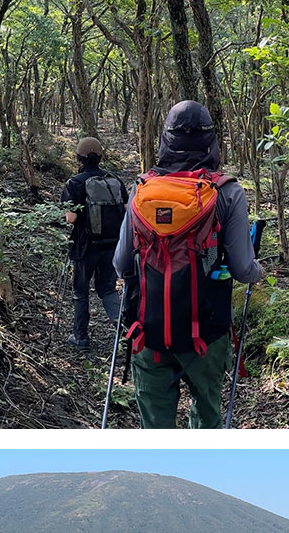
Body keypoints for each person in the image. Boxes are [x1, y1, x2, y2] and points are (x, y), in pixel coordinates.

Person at [113, 101, 265, 429]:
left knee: (155, 427)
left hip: (148, 331)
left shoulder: (142, 189)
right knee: (207, 416)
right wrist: (260, 270)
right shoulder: (227, 192)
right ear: (211, 140)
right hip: (205, 334)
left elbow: (121, 262)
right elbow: (243, 269)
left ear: (165, 139)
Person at [62, 137, 126, 351]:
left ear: (78, 157)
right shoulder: (114, 179)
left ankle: (80, 337)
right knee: (107, 289)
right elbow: (125, 210)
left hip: (84, 246)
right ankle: (124, 331)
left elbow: (70, 218)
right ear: (100, 157)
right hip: (111, 244)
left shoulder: (75, 183)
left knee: (81, 291)